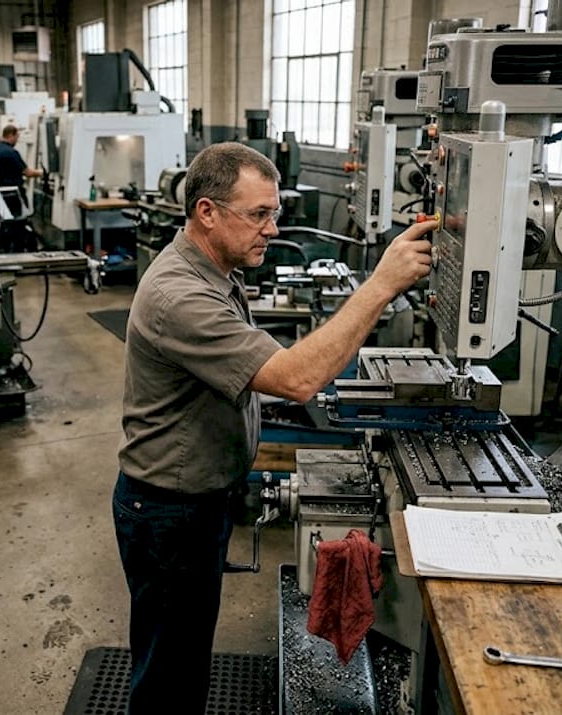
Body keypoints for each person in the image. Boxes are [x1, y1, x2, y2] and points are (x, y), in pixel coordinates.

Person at [114, 141, 436, 714]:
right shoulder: (178, 295)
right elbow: (296, 379)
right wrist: (381, 285)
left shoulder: (215, 268)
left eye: (275, 213)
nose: (272, 228)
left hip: (196, 503)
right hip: (170, 514)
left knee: (184, 658)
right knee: (168, 673)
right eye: (258, 214)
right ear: (207, 212)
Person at [0, 125, 43, 252]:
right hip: (13, 195)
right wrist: (41, 173)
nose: (17, 140)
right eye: (17, 137)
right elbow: (27, 172)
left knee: (5, 223)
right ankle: (18, 249)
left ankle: (5, 247)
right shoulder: (11, 152)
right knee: (19, 224)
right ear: (11, 135)